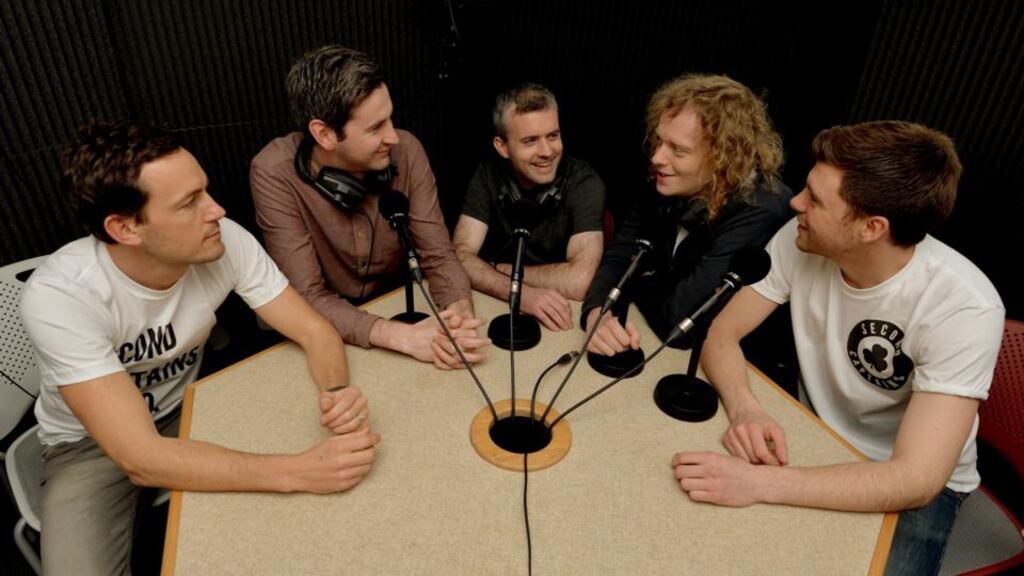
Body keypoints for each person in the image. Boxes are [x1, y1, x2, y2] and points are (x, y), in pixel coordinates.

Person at [21, 120, 380, 575]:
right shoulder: (61, 296)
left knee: (302, 525)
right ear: (125, 228)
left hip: (192, 406)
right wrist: (294, 472)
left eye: (204, 191)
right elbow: (140, 458)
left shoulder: (224, 239)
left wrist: (337, 393)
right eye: (190, 203)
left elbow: (316, 332)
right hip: (89, 445)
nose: (217, 210)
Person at [674, 121, 1004, 575]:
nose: (795, 203)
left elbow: (916, 480)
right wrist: (746, 408)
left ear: (871, 227)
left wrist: (760, 483)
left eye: (814, 199)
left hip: (908, 482)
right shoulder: (799, 237)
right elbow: (721, 335)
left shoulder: (966, 305)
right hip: (816, 435)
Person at [251, 45, 487, 370]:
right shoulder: (274, 172)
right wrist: (402, 337)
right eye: (376, 128)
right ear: (325, 134)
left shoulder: (408, 150)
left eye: (390, 119)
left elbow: (438, 255)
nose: (393, 137)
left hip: (397, 310)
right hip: (327, 336)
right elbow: (305, 296)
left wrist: (459, 314)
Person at [581, 74, 792, 353]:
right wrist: (597, 312)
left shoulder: (760, 208)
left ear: (723, 157)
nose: (657, 158)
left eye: (677, 150)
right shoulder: (665, 180)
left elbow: (681, 323)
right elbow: (620, 256)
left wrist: (639, 281)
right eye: (659, 141)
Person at [452, 83, 606, 331]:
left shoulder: (585, 182)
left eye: (553, 136)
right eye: (530, 141)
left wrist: (495, 269)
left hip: (560, 314)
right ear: (502, 147)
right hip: (499, 307)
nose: (547, 151)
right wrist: (520, 292)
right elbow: (458, 256)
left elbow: (580, 281)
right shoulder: (486, 175)